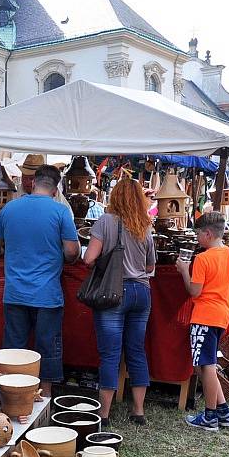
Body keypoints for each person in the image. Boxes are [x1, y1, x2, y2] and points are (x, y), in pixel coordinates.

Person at [0, 165, 80, 396]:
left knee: (14, 347)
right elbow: (71, 252)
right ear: (56, 187)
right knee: (47, 345)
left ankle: (11, 393)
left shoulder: (10, 208)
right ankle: (45, 394)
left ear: (32, 183)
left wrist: (5, 252)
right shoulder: (60, 212)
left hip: (16, 292)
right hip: (47, 294)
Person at [83, 178, 156, 426]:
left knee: (110, 354)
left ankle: (104, 414)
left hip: (113, 292)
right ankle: (138, 411)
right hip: (142, 292)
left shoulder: (106, 221)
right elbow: (150, 266)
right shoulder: (145, 225)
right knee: (136, 350)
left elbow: (88, 259)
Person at [176, 211, 229, 431]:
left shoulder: (203, 258)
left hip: (204, 314)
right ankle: (223, 411)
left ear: (207, 233)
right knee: (207, 364)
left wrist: (185, 271)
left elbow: (194, 291)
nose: (196, 239)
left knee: (206, 365)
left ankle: (210, 416)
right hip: (221, 315)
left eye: (197, 234)